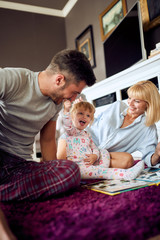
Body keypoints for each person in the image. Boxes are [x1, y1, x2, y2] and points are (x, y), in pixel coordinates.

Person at [0, 49, 96, 202]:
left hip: (19, 166)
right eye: (74, 92)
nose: (73, 99)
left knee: (71, 171)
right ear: (59, 80)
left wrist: (52, 169)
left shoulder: (56, 103)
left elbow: (48, 141)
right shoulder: (16, 79)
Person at [57, 100, 144, 180]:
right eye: (80, 113)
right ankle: (125, 175)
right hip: (80, 167)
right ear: (72, 116)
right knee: (105, 172)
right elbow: (67, 124)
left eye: (88, 115)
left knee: (102, 151)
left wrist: (95, 156)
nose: (84, 117)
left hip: (92, 163)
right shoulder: (71, 133)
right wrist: (66, 110)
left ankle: (101, 169)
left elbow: (94, 148)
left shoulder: (87, 134)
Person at [88, 80, 160, 168]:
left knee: (128, 160)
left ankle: (90, 163)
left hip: (103, 156)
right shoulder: (117, 106)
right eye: (129, 98)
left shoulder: (148, 127)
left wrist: (157, 154)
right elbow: (94, 121)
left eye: (137, 101)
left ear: (148, 104)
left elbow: (149, 158)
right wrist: (82, 113)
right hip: (84, 142)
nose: (130, 103)